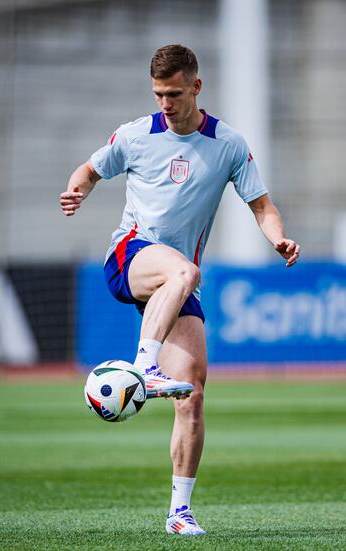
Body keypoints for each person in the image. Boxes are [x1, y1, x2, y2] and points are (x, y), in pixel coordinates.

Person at [60, 44, 300, 536]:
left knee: (191, 394)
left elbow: (262, 205)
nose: (165, 104)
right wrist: (77, 190)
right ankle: (142, 363)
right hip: (131, 255)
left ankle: (179, 513)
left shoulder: (228, 143)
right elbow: (88, 170)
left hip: (173, 277)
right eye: (157, 94)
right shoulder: (135, 135)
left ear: (196, 86)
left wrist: (277, 237)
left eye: (173, 93)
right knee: (187, 274)